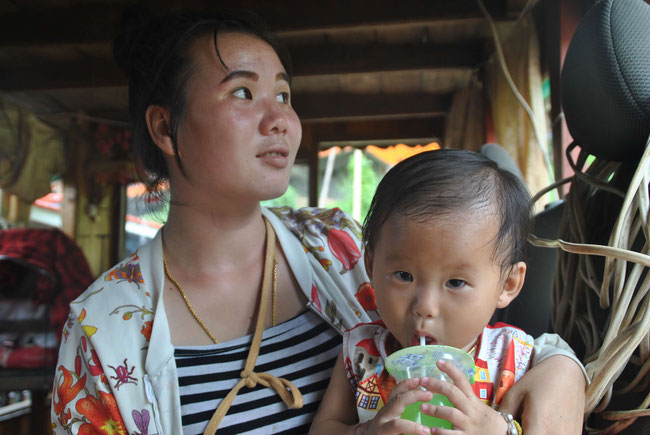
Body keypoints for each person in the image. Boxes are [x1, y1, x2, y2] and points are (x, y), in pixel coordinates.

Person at [50, 8, 586, 435]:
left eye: (283, 94)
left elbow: (496, 334)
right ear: (166, 128)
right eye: (243, 92)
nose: (281, 118)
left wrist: (564, 371)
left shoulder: (336, 242)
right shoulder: (103, 333)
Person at [310, 149, 585, 435]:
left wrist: (501, 429)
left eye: (455, 283)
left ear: (508, 284)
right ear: (371, 266)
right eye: (404, 276)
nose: (424, 306)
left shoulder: (517, 358)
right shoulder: (360, 354)